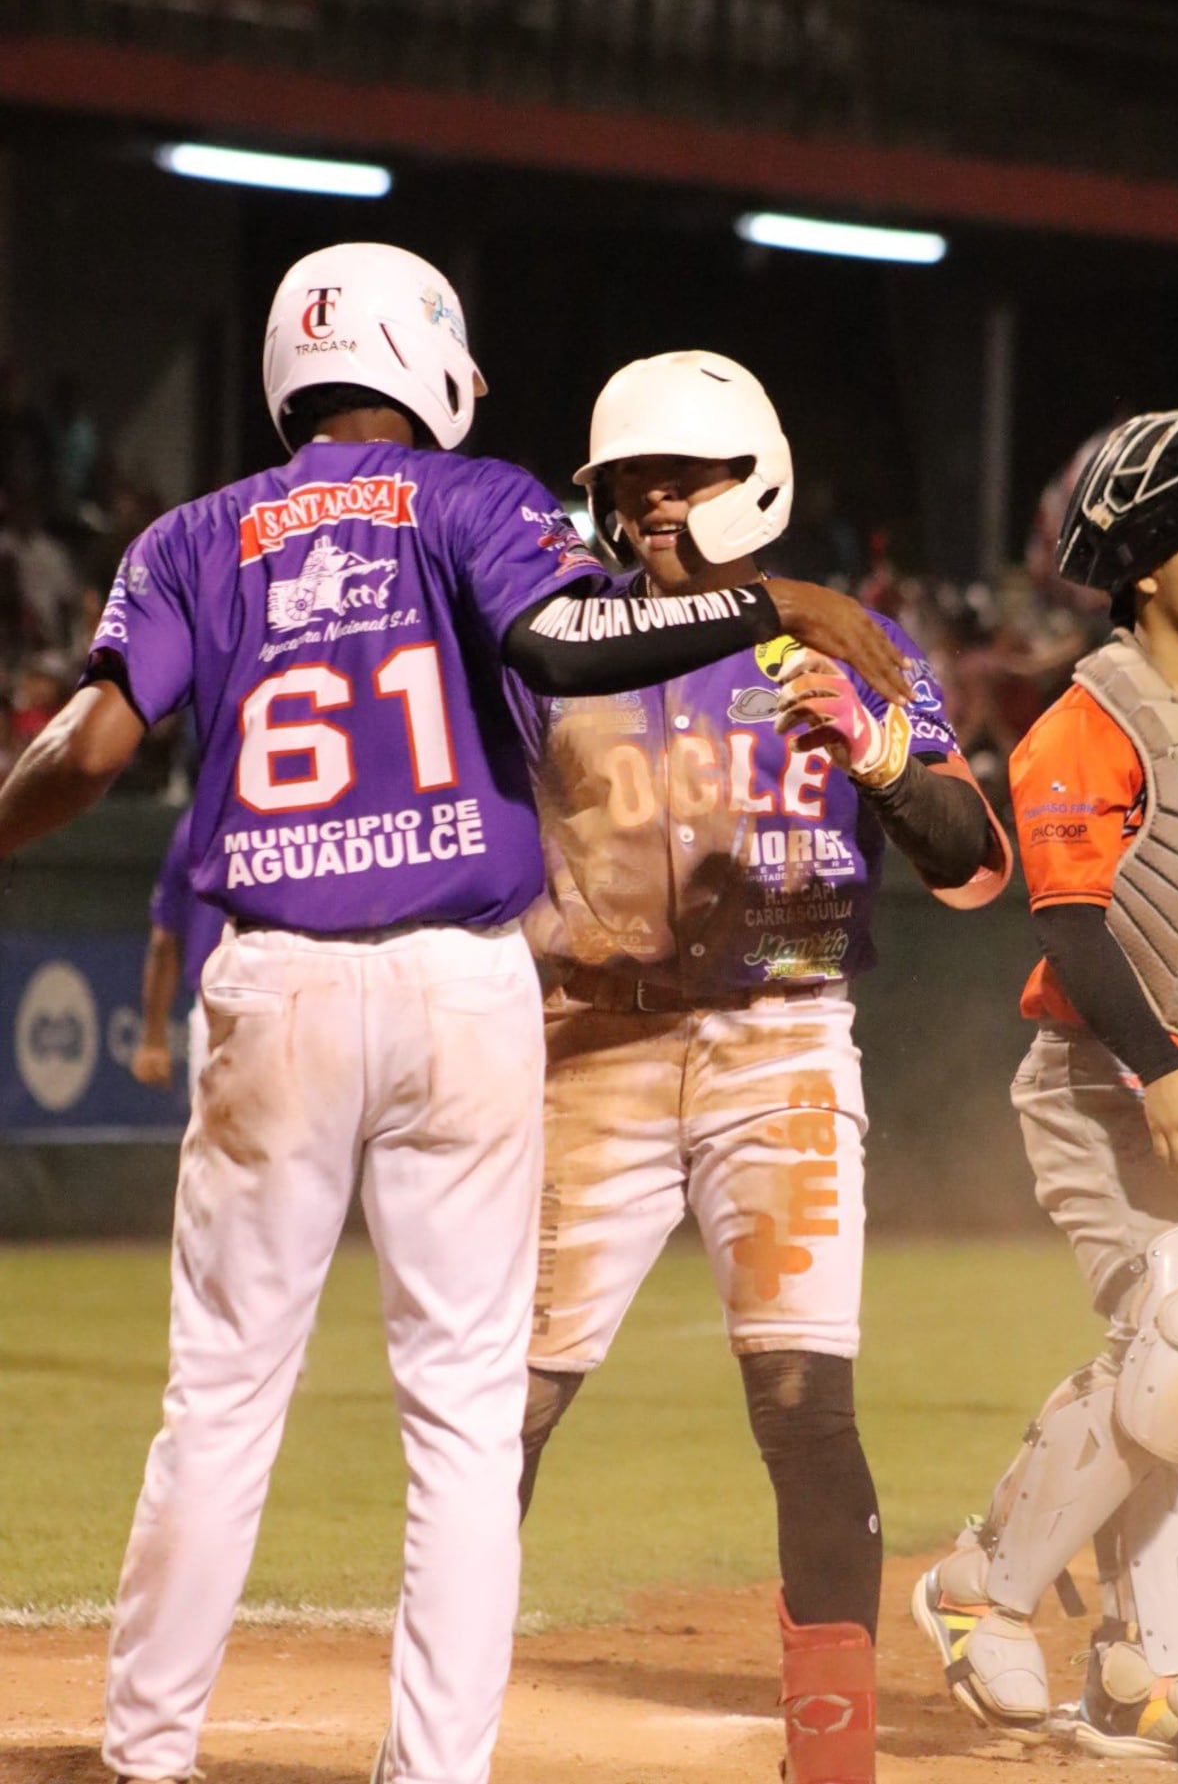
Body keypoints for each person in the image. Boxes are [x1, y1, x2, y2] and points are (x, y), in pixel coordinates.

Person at [0, 246, 908, 1784]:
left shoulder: (188, 536)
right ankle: (436, 1772)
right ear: (424, 358)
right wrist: (780, 600)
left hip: (273, 975)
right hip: (463, 986)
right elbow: (566, 642)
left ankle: (145, 1755)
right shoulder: (475, 498)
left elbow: (90, 748)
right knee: (468, 1421)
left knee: (219, 1399)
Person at [506, 350, 1012, 1784]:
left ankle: (833, 1761)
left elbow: (977, 867)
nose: (655, 504)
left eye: (688, 475)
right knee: (509, 1405)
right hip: (584, 1038)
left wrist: (879, 760)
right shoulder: (559, 629)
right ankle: (440, 1729)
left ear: (757, 477)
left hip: (781, 1036)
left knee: (804, 1407)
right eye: (630, 482)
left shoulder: (860, 644)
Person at [912, 408, 1178, 1763]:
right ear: (1148, 565)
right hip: (1103, 1085)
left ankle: (1146, 1666)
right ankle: (983, 1587)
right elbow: (1073, 922)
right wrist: (1161, 1072)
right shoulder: (1096, 718)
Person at [131, 804, 226, 1099]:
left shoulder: (197, 823)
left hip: (218, 1015)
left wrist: (153, 1039)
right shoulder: (305, 816)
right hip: (304, 1000)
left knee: (222, 1144)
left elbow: (163, 941)